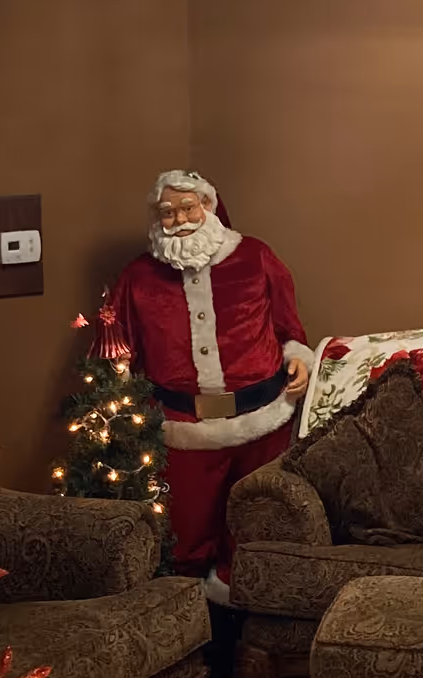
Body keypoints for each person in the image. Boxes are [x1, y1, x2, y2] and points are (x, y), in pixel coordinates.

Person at [109, 170, 311, 604]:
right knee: (185, 536)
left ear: (209, 207)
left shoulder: (255, 257)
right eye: (169, 212)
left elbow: (288, 325)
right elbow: (117, 347)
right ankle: (198, 630)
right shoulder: (138, 277)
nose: (180, 219)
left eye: (188, 208)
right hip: (182, 429)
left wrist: (298, 356)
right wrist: (117, 398)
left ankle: (244, 627)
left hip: (261, 419)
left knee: (255, 525)